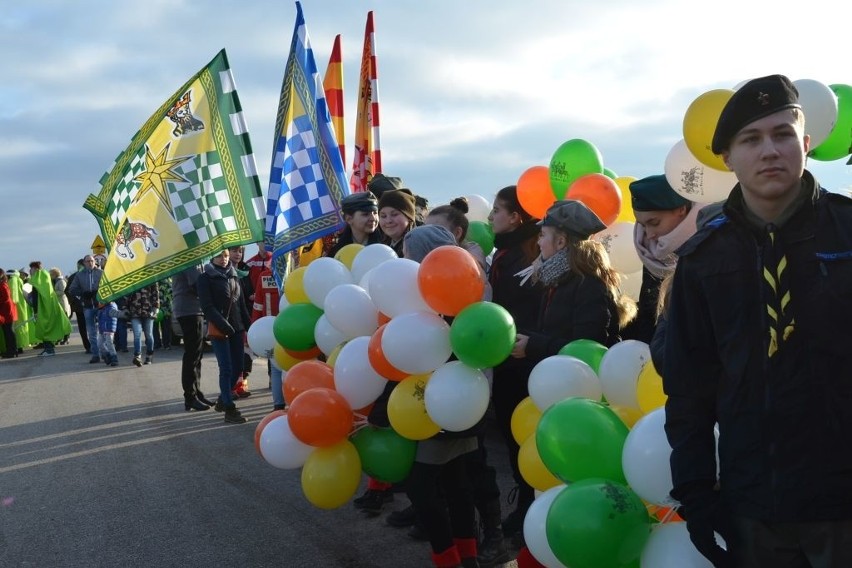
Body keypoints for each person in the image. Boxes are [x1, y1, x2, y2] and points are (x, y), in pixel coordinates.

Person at [663, 74, 852, 567]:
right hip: (753, 506)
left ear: (806, 143)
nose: (770, 150)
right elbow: (689, 387)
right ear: (727, 157)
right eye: (751, 139)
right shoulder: (703, 259)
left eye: (783, 134)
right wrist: (697, 492)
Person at [400, 224, 483, 568]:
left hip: (440, 409)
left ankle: (449, 558)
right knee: (455, 484)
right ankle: (467, 557)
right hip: (460, 406)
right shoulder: (450, 294)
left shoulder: (441, 300)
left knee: (421, 487)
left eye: (408, 256)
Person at [486, 185, 544, 542]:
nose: (491, 216)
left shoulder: (524, 256)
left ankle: (528, 508)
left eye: (497, 210)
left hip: (521, 359)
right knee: (513, 439)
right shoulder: (509, 251)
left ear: (515, 217)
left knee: (522, 437)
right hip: (509, 356)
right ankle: (524, 505)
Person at [511, 200, 636, 360]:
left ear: (560, 242)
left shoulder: (589, 285)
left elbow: (588, 347)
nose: (538, 242)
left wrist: (533, 345)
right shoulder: (558, 279)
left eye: (542, 235)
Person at [620, 175, 705, 343]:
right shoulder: (652, 256)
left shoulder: (710, 245)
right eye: (643, 226)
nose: (649, 235)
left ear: (681, 209)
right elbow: (647, 314)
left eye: (654, 222)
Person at [197, 249, 252, 424]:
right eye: (220, 256)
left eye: (226, 256)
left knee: (239, 367)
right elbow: (207, 306)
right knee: (226, 368)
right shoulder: (205, 278)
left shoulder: (234, 276)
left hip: (237, 328)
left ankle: (223, 398)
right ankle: (229, 408)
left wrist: (250, 326)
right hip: (219, 329)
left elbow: (241, 304)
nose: (224, 259)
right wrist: (223, 324)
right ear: (212, 257)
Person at [172, 264, 213, 412]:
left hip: (193, 309)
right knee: (192, 354)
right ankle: (190, 396)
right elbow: (197, 284)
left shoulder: (192, 259)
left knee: (197, 353)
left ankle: (197, 392)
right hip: (189, 310)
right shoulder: (188, 259)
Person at [27, 261, 72, 357]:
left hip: (43, 309)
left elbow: (37, 297)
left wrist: (36, 310)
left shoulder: (37, 280)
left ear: (35, 269)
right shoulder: (45, 276)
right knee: (47, 329)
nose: (30, 271)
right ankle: (48, 348)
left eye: (31, 269)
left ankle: (49, 349)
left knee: (44, 329)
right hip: (48, 307)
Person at [326, 191, 383, 259]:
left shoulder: (385, 244)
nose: (373, 218)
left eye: (375, 213)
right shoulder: (337, 250)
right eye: (365, 214)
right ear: (349, 219)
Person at [228, 245, 254, 398]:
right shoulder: (225, 272)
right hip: (230, 321)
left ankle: (240, 385)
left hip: (244, 318)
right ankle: (229, 391)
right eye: (234, 251)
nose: (238, 254)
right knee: (231, 359)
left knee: (245, 356)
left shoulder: (244, 271)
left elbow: (247, 296)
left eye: (240, 252)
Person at [67, 255, 103, 362]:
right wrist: (82, 295)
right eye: (88, 261)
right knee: (91, 332)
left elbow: (108, 286)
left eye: (92, 261)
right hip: (87, 307)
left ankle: (105, 353)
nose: (90, 263)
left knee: (103, 331)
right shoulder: (79, 275)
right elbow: (71, 289)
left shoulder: (101, 273)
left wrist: (98, 293)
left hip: (100, 306)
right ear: (84, 263)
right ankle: (96, 354)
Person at [125, 282, 159, 367]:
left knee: (149, 335)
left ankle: (149, 355)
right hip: (134, 312)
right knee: (137, 334)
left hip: (148, 311)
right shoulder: (131, 277)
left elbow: (156, 294)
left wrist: (156, 308)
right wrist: (125, 308)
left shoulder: (151, 277)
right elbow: (126, 294)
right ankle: (137, 356)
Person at [378, 188, 418, 257]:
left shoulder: (416, 245)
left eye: (394, 214)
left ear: (409, 217)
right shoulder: (382, 246)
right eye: (383, 216)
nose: (388, 221)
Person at [65, 259, 90, 353]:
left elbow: (67, 291)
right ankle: (91, 345)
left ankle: (88, 346)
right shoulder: (85, 275)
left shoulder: (73, 276)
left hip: (80, 306)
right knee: (90, 327)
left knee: (83, 327)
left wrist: (73, 302)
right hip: (86, 306)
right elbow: (67, 291)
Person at [49, 268, 71, 345]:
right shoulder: (56, 281)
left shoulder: (61, 281)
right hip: (59, 303)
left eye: (51, 274)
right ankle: (61, 337)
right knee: (60, 322)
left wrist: (53, 293)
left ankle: (66, 338)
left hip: (63, 303)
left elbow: (62, 292)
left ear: (55, 274)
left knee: (65, 322)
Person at [0, 269, 18, 358]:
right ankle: (11, 351)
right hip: (6, 311)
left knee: (9, 332)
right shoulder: (3, 284)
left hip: (6, 312)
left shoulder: (3, 285)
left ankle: (12, 351)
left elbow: (6, 298)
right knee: (8, 332)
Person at [96, 300, 119, 367]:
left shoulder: (111, 307)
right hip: (102, 330)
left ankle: (114, 358)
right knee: (100, 344)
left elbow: (117, 313)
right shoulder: (101, 310)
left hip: (109, 329)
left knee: (109, 343)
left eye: (100, 302)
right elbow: (100, 321)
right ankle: (107, 356)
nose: (99, 304)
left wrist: (123, 314)